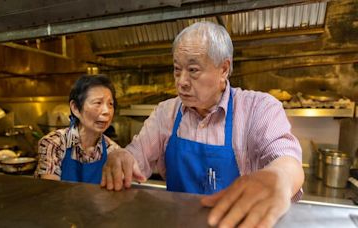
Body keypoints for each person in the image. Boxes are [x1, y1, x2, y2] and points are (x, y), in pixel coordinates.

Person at [100, 21, 304, 227]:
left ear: (223, 69)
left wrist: (277, 177)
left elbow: (288, 160)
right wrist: (122, 157)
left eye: (193, 70)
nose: (182, 81)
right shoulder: (166, 113)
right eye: (177, 70)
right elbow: (137, 155)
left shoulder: (258, 108)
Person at [34, 74, 120, 184]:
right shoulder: (54, 143)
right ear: (75, 108)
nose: (106, 111)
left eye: (110, 104)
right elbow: (51, 192)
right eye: (98, 103)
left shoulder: (112, 150)